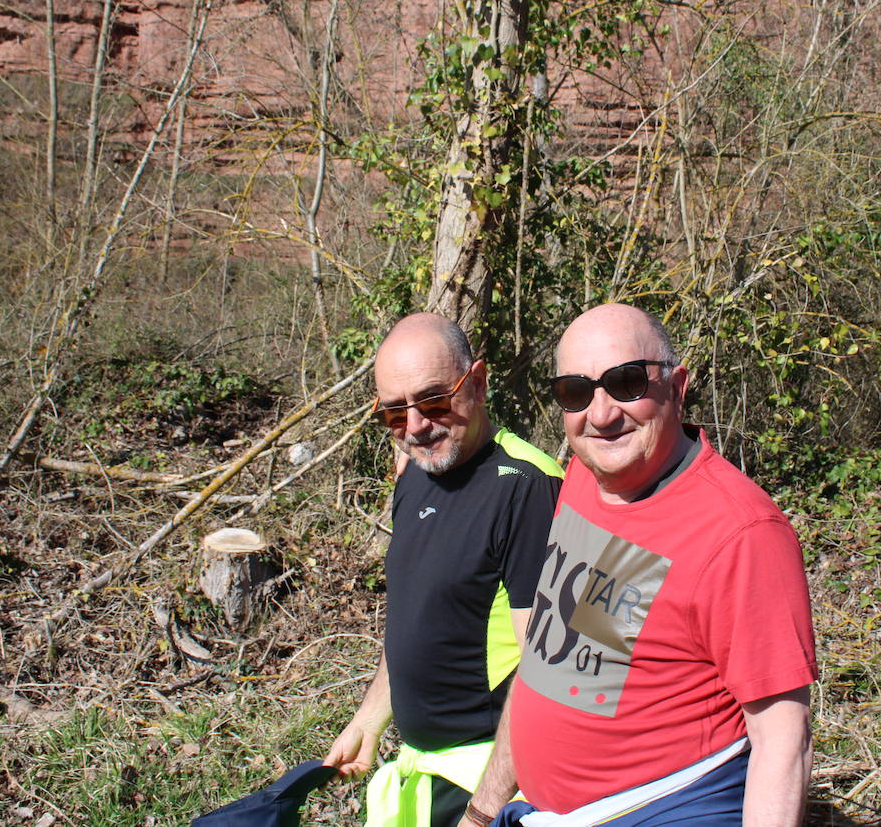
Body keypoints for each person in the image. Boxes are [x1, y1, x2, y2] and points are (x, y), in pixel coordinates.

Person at [461, 303, 818, 827]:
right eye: (576, 392)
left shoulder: (741, 534)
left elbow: (783, 740)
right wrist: (481, 810)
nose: (601, 415)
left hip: (664, 809)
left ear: (677, 385)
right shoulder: (586, 480)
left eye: (626, 383)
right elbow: (556, 662)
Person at [323, 313, 563, 827]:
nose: (414, 426)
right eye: (393, 412)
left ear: (477, 382)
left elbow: (550, 673)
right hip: (425, 777)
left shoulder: (528, 488)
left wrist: (485, 810)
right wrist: (369, 721)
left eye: (434, 401)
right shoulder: (416, 474)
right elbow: (422, 617)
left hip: (487, 783)